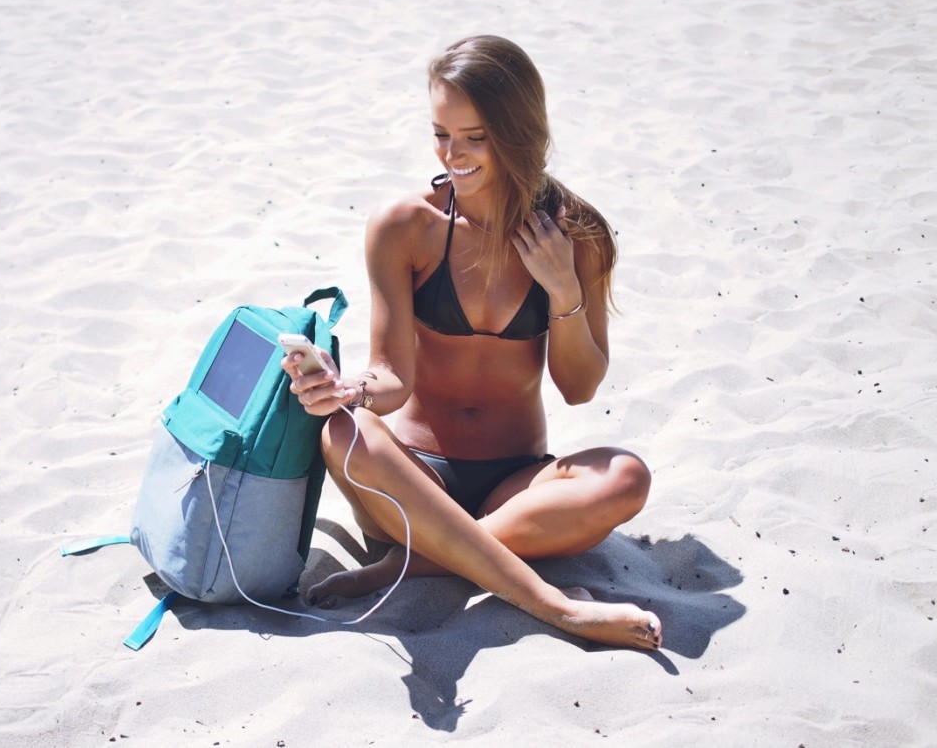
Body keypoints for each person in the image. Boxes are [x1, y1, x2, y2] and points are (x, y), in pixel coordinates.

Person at [282, 35, 661, 650]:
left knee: (627, 477)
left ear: (519, 132)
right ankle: (558, 606)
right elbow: (390, 376)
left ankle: (422, 560)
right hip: (413, 475)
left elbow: (580, 387)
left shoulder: (576, 234)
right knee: (341, 432)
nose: (453, 154)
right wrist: (346, 388)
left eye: (474, 137)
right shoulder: (406, 227)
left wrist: (563, 287)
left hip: (518, 481)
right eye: (440, 134)